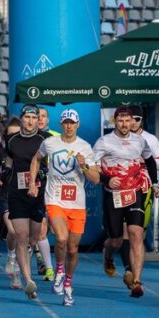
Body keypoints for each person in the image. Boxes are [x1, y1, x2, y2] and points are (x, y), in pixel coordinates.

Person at [95, 106, 159, 298]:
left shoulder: (140, 140)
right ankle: (108, 255)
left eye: (128, 121)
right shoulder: (104, 141)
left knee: (136, 233)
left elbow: (150, 161)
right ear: (115, 122)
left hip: (135, 191)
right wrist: (106, 179)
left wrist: (154, 183)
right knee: (116, 239)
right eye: (121, 121)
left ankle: (137, 281)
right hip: (114, 194)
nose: (125, 124)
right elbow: (92, 167)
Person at [29, 109, 98, 306]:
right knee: (61, 238)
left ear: (77, 125)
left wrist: (84, 166)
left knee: (73, 248)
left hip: (76, 203)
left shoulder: (84, 147)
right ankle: (59, 270)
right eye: (66, 122)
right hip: (55, 198)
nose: (69, 126)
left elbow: (95, 178)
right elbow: (36, 158)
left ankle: (68, 284)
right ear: (61, 124)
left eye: (72, 123)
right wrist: (33, 182)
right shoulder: (50, 143)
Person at [4, 105, 49, 299]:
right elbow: (7, 162)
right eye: (27, 117)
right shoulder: (11, 140)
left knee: (33, 238)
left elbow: (51, 164)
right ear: (21, 119)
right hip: (17, 193)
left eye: (34, 117)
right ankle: (28, 280)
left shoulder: (45, 140)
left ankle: (25, 267)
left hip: (38, 194)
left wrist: (40, 175)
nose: (30, 121)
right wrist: (4, 175)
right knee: (21, 236)